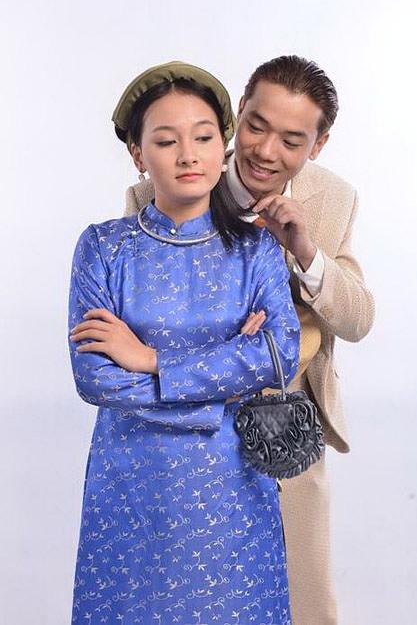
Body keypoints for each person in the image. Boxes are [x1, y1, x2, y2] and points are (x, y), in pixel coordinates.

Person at [125, 55, 375, 625]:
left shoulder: (333, 198)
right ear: (239, 111)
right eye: (257, 126)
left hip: (285, 422)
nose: (265, 151)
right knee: (189, 592)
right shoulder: (162, 187)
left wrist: (305, 252)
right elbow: (145, 321)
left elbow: (358, 320)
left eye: (292, 140)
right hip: (189, 422)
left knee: (303, 598)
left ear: (319, 144)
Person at [68, 61, 300, 625]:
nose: (188, 156)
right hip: (132, 483)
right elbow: (96, 379)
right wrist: (223, 390)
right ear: (138, 154)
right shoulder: (103, 248)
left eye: (203, 138)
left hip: (233, 482)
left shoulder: (256, 251)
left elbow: (278, 355)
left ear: (223, 148)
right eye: (167, 141)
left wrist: (149, 359)